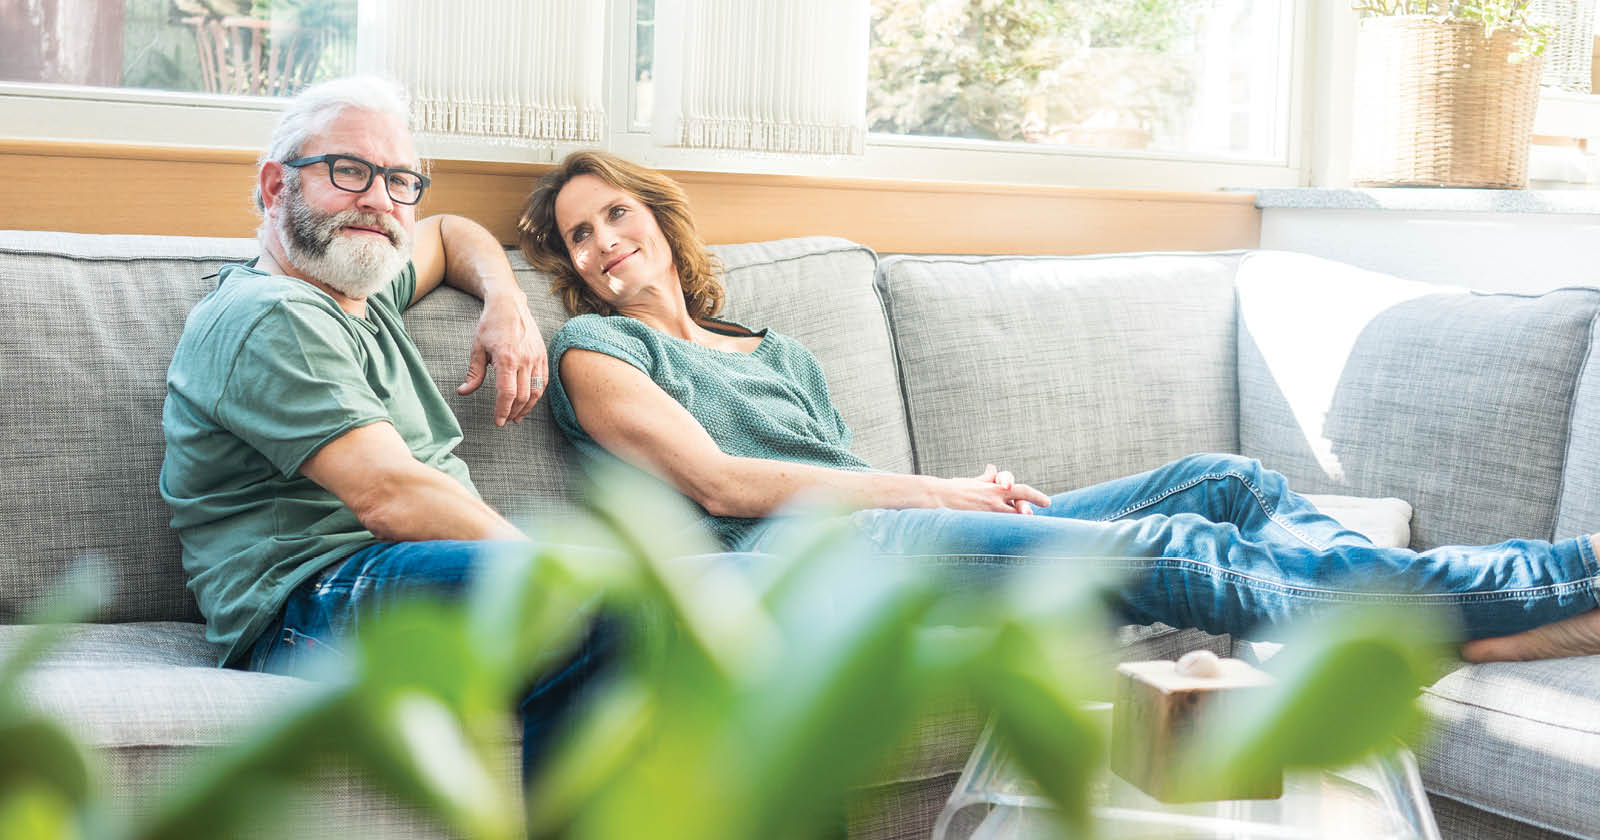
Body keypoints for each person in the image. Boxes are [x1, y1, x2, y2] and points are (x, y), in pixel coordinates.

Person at [519, 150, 1600, 664]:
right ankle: (1546, 580)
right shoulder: (592, 349)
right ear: (571, 267)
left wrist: (944, 509)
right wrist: (941, 490)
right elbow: (724, 485)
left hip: (891, 543)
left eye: (616, 214)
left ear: (658, 219)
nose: (606, 243)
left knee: (1228, 481)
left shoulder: (780, 350)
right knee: (1175, 548)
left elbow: (848, 483)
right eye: (580, 236)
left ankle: (1433, 628)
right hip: (785, 574)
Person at [159, 76, 597, 779]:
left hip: (398, 574)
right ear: (276, 187)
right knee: (601, 606)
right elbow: (389, 495)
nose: (379, 200)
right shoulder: (274, 313)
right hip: (311, 605)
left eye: (399, 180)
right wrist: (557, 574)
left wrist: (506, 300)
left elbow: (451, 233)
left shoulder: (356, 282)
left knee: (748, 591)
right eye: (349, 171)